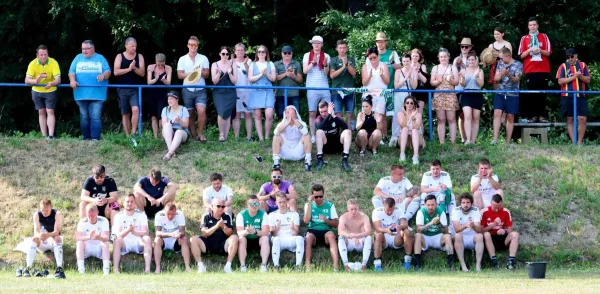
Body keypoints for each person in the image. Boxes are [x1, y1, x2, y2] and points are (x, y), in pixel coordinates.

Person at [68, 40, 111, 141]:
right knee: (84, 118)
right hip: (81, 94)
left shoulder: (100, 58)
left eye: (86, 49)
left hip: (98, 94)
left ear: (93, 49)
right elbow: (71, 71)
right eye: (83, 49)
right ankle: (86, 138)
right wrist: (72, 81)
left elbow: (108, 71)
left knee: (95, 117)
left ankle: (95, 139)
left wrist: (103, 76)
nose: (84, 51)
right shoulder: (78, 58)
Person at [16, 199, 65, 279]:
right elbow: (36, 231)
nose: (44, 212)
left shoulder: (57, 214)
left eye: (47, 210)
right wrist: (40, 235)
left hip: (53, 239)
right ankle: (28, 268)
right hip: (42, 240)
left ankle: (59, 267)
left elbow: (57, 231)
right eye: (42, 210)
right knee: (34, 239)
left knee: (57, 239)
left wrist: (48, 235)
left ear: (51, 207)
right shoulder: (37, 214)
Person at [190, 198, 239, 273]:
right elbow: (204, 233)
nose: (221, 208)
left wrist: (223, 226)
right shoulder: (206, 216)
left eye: (223, 207)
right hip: (207, 243)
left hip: (222, 244)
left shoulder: (227, 217)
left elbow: (230, 233)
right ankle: (200, 266)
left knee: (235, 238)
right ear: (212, 207)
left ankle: (228, 266)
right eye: (218, 206)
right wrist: (216, 226)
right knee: (193, 239)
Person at [518, 17, 552, 123]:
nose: (532, 27)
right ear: (528, 26)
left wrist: (540, 50)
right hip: (530, 70)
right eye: (530, 25)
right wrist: (529, 50)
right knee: (532, 94)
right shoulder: (524, 38)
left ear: (537, 26)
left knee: (542, 93)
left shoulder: (544, 36)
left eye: (534, 24)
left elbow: (549, 52)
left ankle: (541, 115)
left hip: (543, 69)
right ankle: (532, 116)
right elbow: (521, 55)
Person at [177, 36, 210, 142]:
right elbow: (179, 75)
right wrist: (191, 73)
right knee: (190, 113)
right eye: (191, 44)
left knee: (201, 111)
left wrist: (199, 72)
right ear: (188, 45)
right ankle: (193, 136)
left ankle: (200, 134)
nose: (193, 47)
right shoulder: (182, 59)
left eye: (195, 45)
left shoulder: (203, 58)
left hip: (200, 89)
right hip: (187, 89)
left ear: (197, 46)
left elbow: (207, 74)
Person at [24, 45, 61, 139]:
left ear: (48, 54)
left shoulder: (53, 62)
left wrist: (52, 83)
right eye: (41, 55)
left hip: (50, 90)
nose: (44, 57)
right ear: (37, 55)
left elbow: (58, 79)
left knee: (50, 111)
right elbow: (27, 80)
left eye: (45, 54)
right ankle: (44, 135)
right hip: (36, 91)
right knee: (41, 112)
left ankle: (51, 135)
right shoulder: (32, 63)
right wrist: (36, 81)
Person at [557, 48, 591, 145]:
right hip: (567, 95)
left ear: (576, 56)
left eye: (572, 56)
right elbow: (560, 81)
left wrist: (579, 76)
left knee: (582, 118)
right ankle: (574, 142)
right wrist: (574, 76)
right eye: (568, 57)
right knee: (570, 118)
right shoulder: (563, 66)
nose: (570, 59)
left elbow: (588, 80)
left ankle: (579, 143)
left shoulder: (583, 65)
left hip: (580, 95)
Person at [372, 32, 402, 144]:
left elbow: (400, 68)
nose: (379, 43)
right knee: (378, 114)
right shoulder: (374, 54)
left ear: (386, 42)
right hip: (377, 89)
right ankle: (381, 137)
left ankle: (391, 137)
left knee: (389, 114)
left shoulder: (392, 53)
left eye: (381, 41)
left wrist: (391, 62)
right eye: (377, 41)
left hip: (390, 88)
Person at [112, 194, 152, 273]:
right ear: (123, 203)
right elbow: (118, 235)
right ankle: (115, 269)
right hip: (125, 242)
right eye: (127, 202)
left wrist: (133, 232)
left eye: (132, 202)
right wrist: (128, 230)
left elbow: (146, 232)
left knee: (147, 239)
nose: (129, 204)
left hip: (138, 241)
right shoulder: (118, 216)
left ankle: (147, 269)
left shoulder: (141, 214)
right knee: (117, 241)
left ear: (135, 203)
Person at [113, 37, 145, 137]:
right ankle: (127, 136)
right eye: (132, 46)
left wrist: (134, 68)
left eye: (135, 46)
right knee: (125, 113)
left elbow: (142, 73)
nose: (134, 48)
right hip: (122, 88)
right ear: (126, 46)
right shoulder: (119, 56)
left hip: (135, 89)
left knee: (136, 109)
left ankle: (134, 134)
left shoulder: (139, 56)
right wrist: (128, 69)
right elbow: (116, 72)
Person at [303, 184, 339, 272]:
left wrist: (326, 220)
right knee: (308, 238)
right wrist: (310, 204)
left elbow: (336, 224)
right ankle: (307, 266)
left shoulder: (329, 205)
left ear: (323, 195)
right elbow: (306, 221)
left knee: (331, 235)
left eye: (320, 196)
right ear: (312, 196)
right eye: (316, 197)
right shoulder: (308, 205)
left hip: (326, 230)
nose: (318, 199)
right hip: (313, 231)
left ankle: (336, 266)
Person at [303, 35, 331, 143]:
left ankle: (328, 132)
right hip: (311, 87)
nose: (316, 45)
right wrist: (313, 63)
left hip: (324, 87)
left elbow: (327, 73)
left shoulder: (326, 56)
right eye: (314, 43)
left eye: (318, 43)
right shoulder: (307, 55)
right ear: (312, 44)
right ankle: (313, 135)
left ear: (322, 45)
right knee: (312, 112)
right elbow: (305, 71)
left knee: (328, 111)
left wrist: (325, 65)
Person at [372, 198, 413, 271]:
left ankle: (407, 261)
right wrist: (387, 230)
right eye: (388, 210)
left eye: (391, 210)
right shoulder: (377, 211)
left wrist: (399, 227)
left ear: (394, 206)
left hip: (396, 237)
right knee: (378, 234)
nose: (389, 212)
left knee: (407, 232)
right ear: (384, 205)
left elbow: (405, 224)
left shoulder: (399, 210)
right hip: (383, 237)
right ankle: (377, 264)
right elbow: (377, 228)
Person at [414, 195, 454, 270]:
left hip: (438, 237)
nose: (430, 207)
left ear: (436, 204)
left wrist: (438, 224)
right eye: (428, 205)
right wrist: (431, 223)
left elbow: (445, 231)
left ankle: (451, 263)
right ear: (425, 205)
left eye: (432, 205)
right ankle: (417, 264)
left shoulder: (441, 211)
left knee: (448, 236)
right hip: (425, 238)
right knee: (417, 235)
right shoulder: (421, 212)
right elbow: (418, 230)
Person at [492, 47, 523, 145]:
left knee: (510, 116)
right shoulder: (500, 64)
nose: (500, 60)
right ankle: (495, 140)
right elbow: (496, 79)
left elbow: (517, 80)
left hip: (512, 94)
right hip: (500, 93)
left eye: (502, 58)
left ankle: (507, 142)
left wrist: (508, 74)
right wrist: (500, 75)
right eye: (500, 58)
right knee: (497, 113)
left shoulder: (518, 65)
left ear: (508, 56)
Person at [481, 194, 520, 270]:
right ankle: (494, 261)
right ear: (491, 203)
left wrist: (504, 231)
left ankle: (511, 262)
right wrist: (493, 224)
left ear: (502, 204)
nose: (496, 210)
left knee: (515, 234)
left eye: (499, 207)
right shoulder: (484, 212)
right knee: (486, 234)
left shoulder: (506, 212)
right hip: (489, 239)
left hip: (502, 238)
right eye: (495, 207)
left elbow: (510, 230)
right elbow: (481, 230)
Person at [430, 48, 459, 144]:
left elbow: (456, 82)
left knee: (451, 119)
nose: (443, 58)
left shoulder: (453, 67)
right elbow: (432, 82)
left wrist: (450, 80)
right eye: (441, 57)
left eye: (445, 56)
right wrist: (438, 81)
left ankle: (453, 142)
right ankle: (442, 143)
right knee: (441, 119)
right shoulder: (435, 68)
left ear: (448, 56)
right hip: (439, 95)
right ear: (439, 57)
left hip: (450, 95)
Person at [269, 193, 304, 271]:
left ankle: (298, 266)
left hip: (290, 238)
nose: (282, 204)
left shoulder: (294, 214)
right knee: (276, 239)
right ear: (276, 203)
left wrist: (293, 229)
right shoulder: (272, 215)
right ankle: (276, 266)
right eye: (280, 202)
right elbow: (273, 234)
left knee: (300, 239)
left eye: (284, 202)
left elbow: (295, 233)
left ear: (287, 202)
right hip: (279, 239)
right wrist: (277, 228)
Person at [248, 45, 277, 141]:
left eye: (263, 52)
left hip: (268, 90)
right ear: (257, 53)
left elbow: (273, 79)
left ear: (266, 53)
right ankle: (261, 138)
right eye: (259, 51)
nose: (261, 53)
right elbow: (250, 79)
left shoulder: (270, 63)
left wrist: (266, 73)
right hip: (256, 90)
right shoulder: (253, 64)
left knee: (269, 115)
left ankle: (267, 136)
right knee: (257, 115)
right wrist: (261, 74)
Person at [272, 105, 313, 172]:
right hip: (286, 152)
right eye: (288, 112)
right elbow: (276, 132)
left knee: (307, 136)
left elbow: (305, 132)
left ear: (295, 114)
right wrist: (287, 123)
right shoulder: (281, 124)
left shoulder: (302, 123)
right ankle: (276, 163)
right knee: (276, 136)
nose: (290, 114)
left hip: (298, 151)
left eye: (292, 112)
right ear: (285, 114)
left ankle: (308, 162)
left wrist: (294, 121)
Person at [315, 101, 352, 172]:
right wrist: (328, 114)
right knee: (319, 132)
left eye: (325, 111)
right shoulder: (318, 118)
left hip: (338, 145)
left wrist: (333, 116)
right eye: (321, 112)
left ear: (329, 109)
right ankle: (320, 160)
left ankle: (344, 160)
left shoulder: (336, 116)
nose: (323, 114)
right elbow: (320, 127)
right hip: (325, 147)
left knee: (347, 132)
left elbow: (345, 127)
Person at [236, 195, 270, 272]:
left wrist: (254, 232)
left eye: (257, 204)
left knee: (265, 238)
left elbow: (266, 232)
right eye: (252, 204)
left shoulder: (263, 214)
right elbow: (239, 233)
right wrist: (247, 231)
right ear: (247, 204)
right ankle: (242, 265)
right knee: (241, 239)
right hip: (246, 239)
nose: (254, 206)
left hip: (258, 239)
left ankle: (264, 265)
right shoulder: (241, 215)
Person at [153, 203, 191, 273]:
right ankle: (157, 267)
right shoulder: (159, 215)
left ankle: (187, 267)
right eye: (168, 214)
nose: (170, 216)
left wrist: (179, 235)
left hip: (176, 240)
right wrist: (171, 234)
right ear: (164, 212)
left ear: (175, 212)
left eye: (172, 214)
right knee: (157, 239)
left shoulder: (180, 214)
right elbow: (157, 233)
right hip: (163, 240)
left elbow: (182, 232)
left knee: (184, 239)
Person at [453, 38, 478, 144]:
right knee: (461, 115)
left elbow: (475, 71)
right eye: (462, 46)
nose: (464, 48)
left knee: (471, 115)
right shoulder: (457, 58)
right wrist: (455, 64)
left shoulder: (474, 58)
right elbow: (452, 72)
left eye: (466, 46)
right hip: (459, 89)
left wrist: (463, 66)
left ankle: (471, 139)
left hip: (470, 89)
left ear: (470, 47)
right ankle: (463, 138)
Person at [362, 47, 390, 141]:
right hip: (368, 95)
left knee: (380, 117)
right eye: (370, 58)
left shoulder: (384, 65)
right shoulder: (365, 67)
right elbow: (364, 83)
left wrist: (382, 74)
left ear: (378, 56)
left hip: (381, 95)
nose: (373, 60)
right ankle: (368, 136)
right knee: (368, 116)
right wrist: (369, 75)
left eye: (374, 57)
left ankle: (380, 138)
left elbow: (387, 82)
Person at [391, 54, 418, 148]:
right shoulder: (398, 71)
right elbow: (396, 86)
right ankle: (395, 137)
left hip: (408, 96)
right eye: (404, 61)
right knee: (397, 114)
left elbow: (414, 87)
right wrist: (405, 78)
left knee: (410, 114)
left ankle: (410, 136)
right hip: (399, 96)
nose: (406, 63)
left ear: (410, 61)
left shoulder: (414, 71)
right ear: (402, 62)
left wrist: (410, 77)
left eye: (407, 61)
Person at [211, 46, 238, 142]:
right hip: (219, 92)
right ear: (219, 54)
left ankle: (225, 137)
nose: (225, 56)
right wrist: (218, 73)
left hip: (230, 92)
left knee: (228, 114)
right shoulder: (215, 65)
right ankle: (221, 134)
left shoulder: (233, 64)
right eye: (223, 54)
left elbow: (235, 81)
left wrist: (230, 73)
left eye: (227, 54)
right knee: (221, 112)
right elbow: (214, 81)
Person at [75, 203, 111, 275]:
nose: (91, 218)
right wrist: (89, 237)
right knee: (79, 243)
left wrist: (99, 237)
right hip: (87, 246)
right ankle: (81, 270)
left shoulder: (103, 221)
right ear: (86, 213)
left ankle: (106, 270)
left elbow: (106, 237)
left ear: (97, 212)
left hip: (99, 246)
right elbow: (78, 237)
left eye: (93, 216)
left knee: (105, 243)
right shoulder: (82, 222)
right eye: (89, 216)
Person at [452, 193, 484, 272]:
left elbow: (479, 230)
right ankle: (463, 266)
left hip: (472, 238)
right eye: (463, 203)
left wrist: (473, 226)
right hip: (461, 238)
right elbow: (457, 229)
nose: (465, 205)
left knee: (480, 236)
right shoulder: (456, 210)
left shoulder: (475, 210)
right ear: (460, 203)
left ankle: (478, 266)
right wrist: (466, 225)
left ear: (471, 203)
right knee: (457, 235)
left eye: (467, 202)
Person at [337, 199, 372, 271]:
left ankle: (364, 264)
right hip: (348, 241)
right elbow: (340, 231)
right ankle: (346, 265)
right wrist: (349, 235)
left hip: (360, 241)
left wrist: (356, 236)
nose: (354, 211)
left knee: (368, 238)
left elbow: (369, 231)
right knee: (341, 238)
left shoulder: (364, 217)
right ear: (348, 209)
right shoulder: (343, 217)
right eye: (351, 209)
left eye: (355, 209)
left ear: (358, 208)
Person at [329, 39, 357, 127]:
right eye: (340, 48)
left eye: (344, 48)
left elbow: (354, 73)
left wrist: (347, 64)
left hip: (349, 90)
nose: (342, 50)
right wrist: (343, 67)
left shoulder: (351, 59)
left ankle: (350, 134)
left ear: (347, 49)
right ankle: (339, 137)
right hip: (336, 91)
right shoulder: (333, 60)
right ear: (337, 49)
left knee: (350, 114)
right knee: (338, 115)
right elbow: (332, 75)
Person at [459, 52, 484, 144]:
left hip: (477, 94)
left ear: (475, 60)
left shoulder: (480, 70)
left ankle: (473, 141)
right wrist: (462, 77)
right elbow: (462, 84)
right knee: (467, 116)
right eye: (469, 60)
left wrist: (477, 76)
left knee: (476, 118)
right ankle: (468, 139)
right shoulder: (463, 70)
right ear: (467, 61)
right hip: (466, 94)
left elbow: (481, 85)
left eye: (472, 60)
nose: (471, 61)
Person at [146, 53, 172, 139]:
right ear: (155, 61)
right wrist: (156, 79)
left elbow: (168, 83)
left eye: (162, 64)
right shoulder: (150, 67)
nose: (160, 66)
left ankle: (162, 136)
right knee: (153, 116)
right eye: (158, 64)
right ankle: (155, 137)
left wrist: (164, 80)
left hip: (162, 94)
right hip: (151, 94)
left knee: (161, 116)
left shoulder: (168, 68)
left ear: (164, 62)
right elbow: (149, 82)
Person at [274, 45, 303, 119]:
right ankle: (282, 130)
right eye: (285, 53)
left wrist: (293, 76)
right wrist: (285, 74)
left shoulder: (297, 64)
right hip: (280, 93)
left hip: (294, 93)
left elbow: (300, 80)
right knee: (281, 116)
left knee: (295, 116)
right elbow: (274, 78)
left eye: (289, 53)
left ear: (292, 54)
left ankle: (295, 130)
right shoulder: (276, 64)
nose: (287, 54)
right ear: (282, 54)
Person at [232, 43, 253, 141]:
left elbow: (251, 75)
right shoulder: (231, 62)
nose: (240, 52)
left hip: (247, 90)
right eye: (238, 50)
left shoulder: (249, 61)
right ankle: (236, 137)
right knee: (237, 114)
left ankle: (249, 137)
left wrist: (245, 64)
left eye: (242, 50)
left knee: (248, 113)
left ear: (244, 51)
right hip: (235, 91)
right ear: (235, 51)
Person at [161, 91, 190, 160]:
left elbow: (186, 125)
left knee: (179, 132)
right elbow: (163, 125)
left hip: (182, 132)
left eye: (171, 99)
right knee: (167, 125)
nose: (169, 101)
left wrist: (179, 120)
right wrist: (172, 121)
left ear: (177, 100)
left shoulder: (183, 109)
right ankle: (171, 150)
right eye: (168, 99)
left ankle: (169, 153)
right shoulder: (165, 109)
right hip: (169, 132)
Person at [398, 96, 424, 165]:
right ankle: (402, 154)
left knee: (414, 130)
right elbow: (403, 125)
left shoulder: (418, 115)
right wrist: (406, 115)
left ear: (414, 105)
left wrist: (413, 117)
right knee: (405, 129)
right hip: (404, 140)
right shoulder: (400, 114)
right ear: (404, 104)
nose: (409, 104)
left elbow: (416, 127)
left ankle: (415, 156)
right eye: (407, 103)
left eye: (411, 103)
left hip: (416, 139)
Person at [410, 48, 429, 114]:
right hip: (410, 90)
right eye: (413, 56)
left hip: (420, 91)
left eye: (416, 56)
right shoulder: (407, 65)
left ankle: (419, 124)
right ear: (411, 56)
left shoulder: (422, 66)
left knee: (419, 113)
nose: (414, 58)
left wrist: (418, 72)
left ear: (419, 57)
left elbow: (425, 80)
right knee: (411, 113)